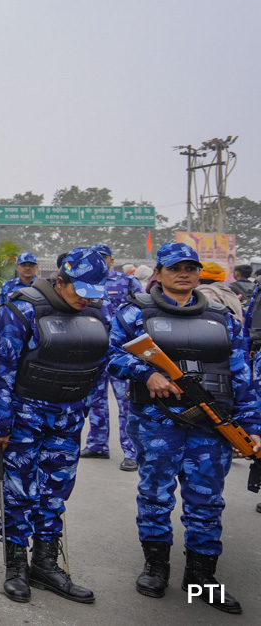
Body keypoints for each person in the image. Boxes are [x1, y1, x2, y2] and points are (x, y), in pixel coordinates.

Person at [107, 242, 261, 615]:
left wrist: (252, 423)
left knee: (206, 501)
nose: (184, 273)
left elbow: (241, 372)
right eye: (175, 268)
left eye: (190, 268)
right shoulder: (134, 313)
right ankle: (156, 568)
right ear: (158, 273)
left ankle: (200, 580)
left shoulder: (222, 316)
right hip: (158, 420)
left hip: (211, 422)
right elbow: (111, 355)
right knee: (156, 495)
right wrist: (148, 373)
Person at [0, 247, 110, 604]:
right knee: (18, 492)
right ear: (60, 281)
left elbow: (100, 362)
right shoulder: (22, 308)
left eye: (93, 293)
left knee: (56, 491)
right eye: (80, 292)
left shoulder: (96, 312)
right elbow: (3, 370)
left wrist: (83, 407)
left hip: (68, 418)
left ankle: (45, 563)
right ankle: (15, 566)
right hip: (25, 418)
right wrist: (0, 424)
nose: (86, 301)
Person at [81, 244, 143, 470]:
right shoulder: (86, 283)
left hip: (122, 351)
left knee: (126, 401)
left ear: (111, 260)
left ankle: (131, 451)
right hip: (95, 350)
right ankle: (97, 445)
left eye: (104, 257)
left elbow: (142, 311)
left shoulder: (127, 281)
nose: (101, 261)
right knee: (95, 401)